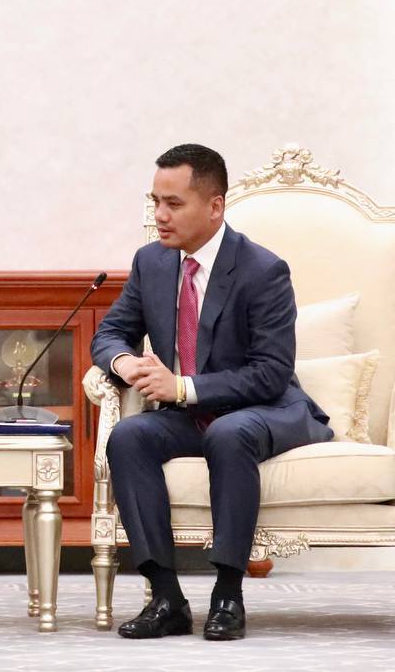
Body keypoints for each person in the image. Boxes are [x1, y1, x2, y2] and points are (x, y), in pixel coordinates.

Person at [91, 143, 331, 641]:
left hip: (264, 409)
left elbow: (271, 373)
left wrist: (182, 386)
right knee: (129, 436)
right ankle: (166, 599)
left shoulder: (262, 270)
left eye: (173, 204)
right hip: (190, 415)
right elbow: (110, 332)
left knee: (229, 432)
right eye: (155, 201)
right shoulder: (152, 263)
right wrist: (126, 363)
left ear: (215, 205)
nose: (159, 215)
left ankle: (228, 595)